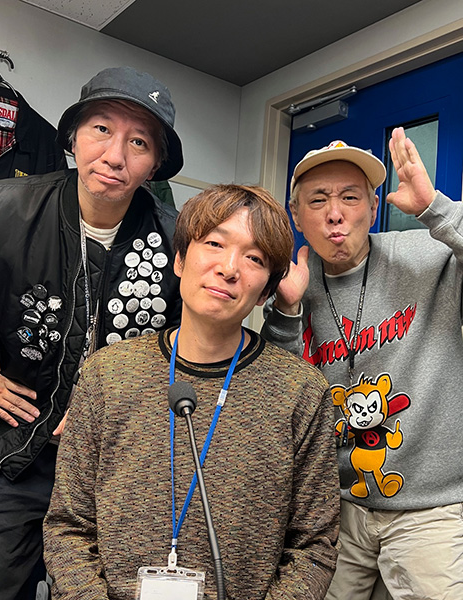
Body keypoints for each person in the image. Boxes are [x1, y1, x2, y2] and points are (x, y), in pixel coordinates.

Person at [43, 184, 340, 599]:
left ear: (266, 291)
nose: (229, 268)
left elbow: (314, 544)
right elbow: (68, 525)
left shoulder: (300, 392)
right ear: (180, 260)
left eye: (254, 258)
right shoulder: (107, 374)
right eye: (215, 244)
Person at [0, 66, 184, 600]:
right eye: (101, 130)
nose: (115, 156)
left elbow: (196, 346)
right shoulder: (1, 209)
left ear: (156, 163)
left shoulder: (176, 237)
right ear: (72, 137)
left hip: (121, 466)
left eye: (139, 142)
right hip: (15, 453)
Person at [261, 129, 463, 600]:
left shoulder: (426, 254)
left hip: (430, 507)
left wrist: (434, 208)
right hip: (339, 507)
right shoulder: (295, 284)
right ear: (296, 214)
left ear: (373, 208)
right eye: (318, 200)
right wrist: (286, 311)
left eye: (350, 197)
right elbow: (280, 395)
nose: (335, 212)